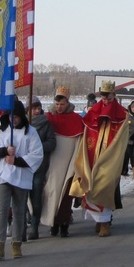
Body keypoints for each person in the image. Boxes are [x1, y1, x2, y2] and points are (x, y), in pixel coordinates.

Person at [70, 80, 128, 237]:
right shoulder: (94, 112)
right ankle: (99, 220)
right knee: (91, 185)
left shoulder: (122, 115)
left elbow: (122, 141)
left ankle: (104, 222)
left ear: (114, 95)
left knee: (105, 187)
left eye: (108, 97)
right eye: (103, 97)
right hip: (93, 156)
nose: (105, 100)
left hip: (110, 159)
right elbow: (87, 132)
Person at [0, 99, 44, 260]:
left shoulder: (30, 132)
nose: (14, 119)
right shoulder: (1, 131)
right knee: (3, 210)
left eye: (17, 116)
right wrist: (4, 152)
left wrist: (17, 161)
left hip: (21, 175)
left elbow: (37, 154)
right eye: (11, 116)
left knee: (19, 209)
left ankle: (17, 243)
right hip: (3, 175)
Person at [42, 86, 84, 237]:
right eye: (57, 104)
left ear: (68, 103)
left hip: (69, 162)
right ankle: (53, 222)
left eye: (62, 104)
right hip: (52, 163)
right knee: (51, 192)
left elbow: (79, 141)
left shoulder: (76, 119)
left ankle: (64, 223)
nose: (59, 107)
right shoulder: (48, 118)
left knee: (66, 195)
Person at [27, 96, 57, 240]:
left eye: (38, 108)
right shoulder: (22, 124)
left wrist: (37, 148)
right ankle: (23, 224)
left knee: (36, 192)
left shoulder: (46, 124)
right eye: (33, 108)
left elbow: (52, 143)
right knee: (22, 195)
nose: (36, 111)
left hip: (40, 164)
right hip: (24, 165)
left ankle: (34, 224)